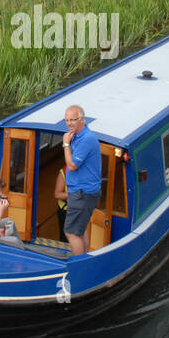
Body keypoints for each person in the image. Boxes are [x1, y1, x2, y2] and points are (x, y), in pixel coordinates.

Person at [61, 104, 102, 256]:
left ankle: (78, 266)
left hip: (82, 192)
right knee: (80, 228)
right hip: (82, 191)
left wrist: (66, 144)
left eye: (73, 120)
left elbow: (71, 165)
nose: (69, 123)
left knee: (71, 232)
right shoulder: (77, 137)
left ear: (82, 120)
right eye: (67, 120)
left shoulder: (86, 139)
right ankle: (84, 259)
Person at [54, 167, 69, 244]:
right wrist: (74, 195)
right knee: (66, 239)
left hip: (82, 210)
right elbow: (57, 194)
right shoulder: (64, 172)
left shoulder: (86, 170)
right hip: (66, 212)